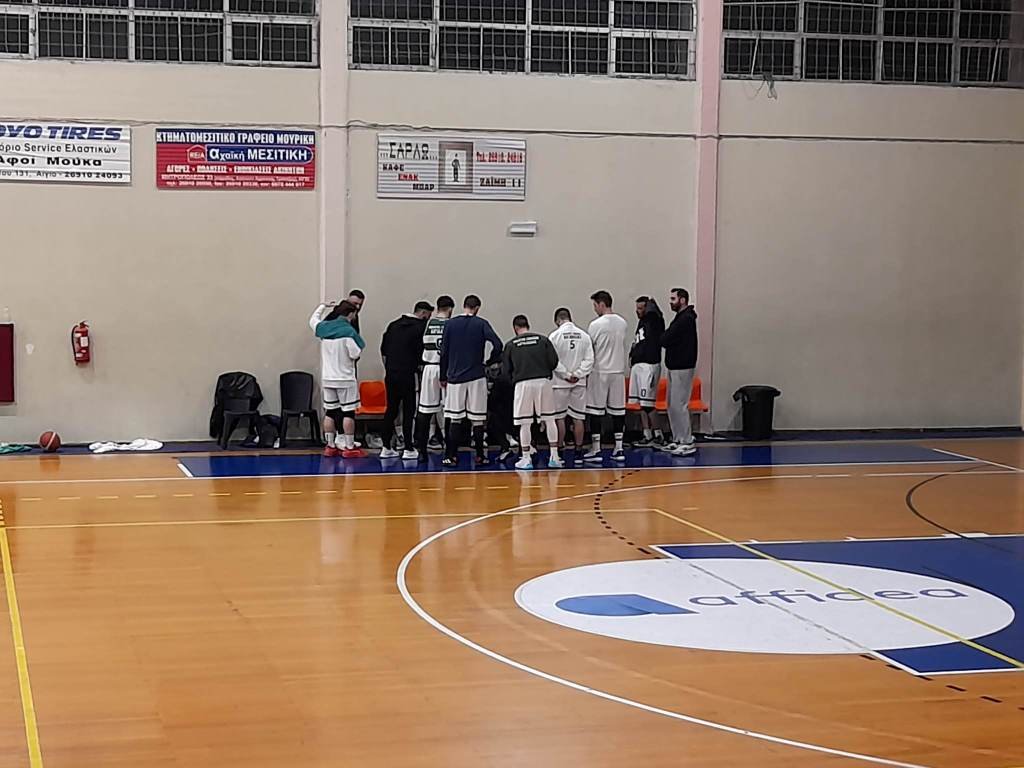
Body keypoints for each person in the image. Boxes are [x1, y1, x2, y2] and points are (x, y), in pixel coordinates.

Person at [439, 294, 503, 467]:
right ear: (477, 308)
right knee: (478, 419)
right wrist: (489, 361)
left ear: (464, 306)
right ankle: (480, 456)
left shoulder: (450, 324)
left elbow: (443, 352)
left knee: (455, 418)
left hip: (455, 377)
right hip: (476, 376)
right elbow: (497, 344)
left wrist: (443, 375)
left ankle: (450, 456)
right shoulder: (481, 323)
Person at [503, 315, 562, 470]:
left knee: (524, 423)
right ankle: (554, 457)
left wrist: (514, 380)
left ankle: (526, 458)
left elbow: (505, 371)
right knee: (550, 420)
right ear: (528, 325)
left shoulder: (511, 344)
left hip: (523, 383)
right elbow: (554, 362)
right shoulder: (543, 340)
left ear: (515, 328)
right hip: (544, 381)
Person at [309, 300, 366, 458]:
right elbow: (355, 354)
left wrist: (322, 306)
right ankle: (349, 447)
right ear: (350, 314)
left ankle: (330, 446)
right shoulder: (348, 332)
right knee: (348, 413)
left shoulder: (324, 328)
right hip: (345, 378)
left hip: (328, 378)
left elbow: (313, 320)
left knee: (330, 412)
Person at [379, 300, 432, 460]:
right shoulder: (420, 328)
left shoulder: (393, 325)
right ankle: (408, 447)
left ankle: (386, 447)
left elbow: (383, 351)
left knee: (391, 410)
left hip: (391, 373)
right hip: (408, 374)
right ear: (423, 313)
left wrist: (389, 368)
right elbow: (422, 353)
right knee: (409, 411)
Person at [585, 290, 629, 462]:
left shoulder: (595, 325)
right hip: (617, 371)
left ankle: (596, 448)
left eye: (595, 305)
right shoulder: (622, 323)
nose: (594, 309)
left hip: (600, 371)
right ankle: (619, 448)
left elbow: (591, 349)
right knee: (618, 410)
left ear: (601, 304)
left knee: (595, 411)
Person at [415, 295, 456, 462]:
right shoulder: (451, 324)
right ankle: (449, 452)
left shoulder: (427, 323)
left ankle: (422, 451)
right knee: (449, 411)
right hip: (446, 369)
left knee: (425, 411)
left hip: (429, 368)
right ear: (450, 309)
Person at [548, 307, 594, 455]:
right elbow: (589, 360)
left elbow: (553, 361)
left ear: (557, 320)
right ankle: (579, 449)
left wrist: (567, 375)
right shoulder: (584, 336)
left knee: (559, 417)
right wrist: (578, 374)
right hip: (579, 382)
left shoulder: (554, 336)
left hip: (559, 383)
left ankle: (559, 448)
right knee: (578, 417)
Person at [660, 287, 698, 456]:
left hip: (683, 366)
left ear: (682, 300)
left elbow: (666, 338)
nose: (670, 302)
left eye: (673, 299)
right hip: (674, 366)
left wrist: (665, 337)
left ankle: (687, 440)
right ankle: (677, 438)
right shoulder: (679, 318)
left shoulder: (686, 319)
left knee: (680, 405)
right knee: (671, 405)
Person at [629, 296, 666, 447]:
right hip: (639, 365)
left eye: (640, 308)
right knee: (642, 404)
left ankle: (658, 435)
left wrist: (652, 306)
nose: (637, 311)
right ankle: (647, 434)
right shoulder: (642, 322)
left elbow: (656, 316)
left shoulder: (654, 320)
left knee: (648, 404)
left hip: (649, 365)